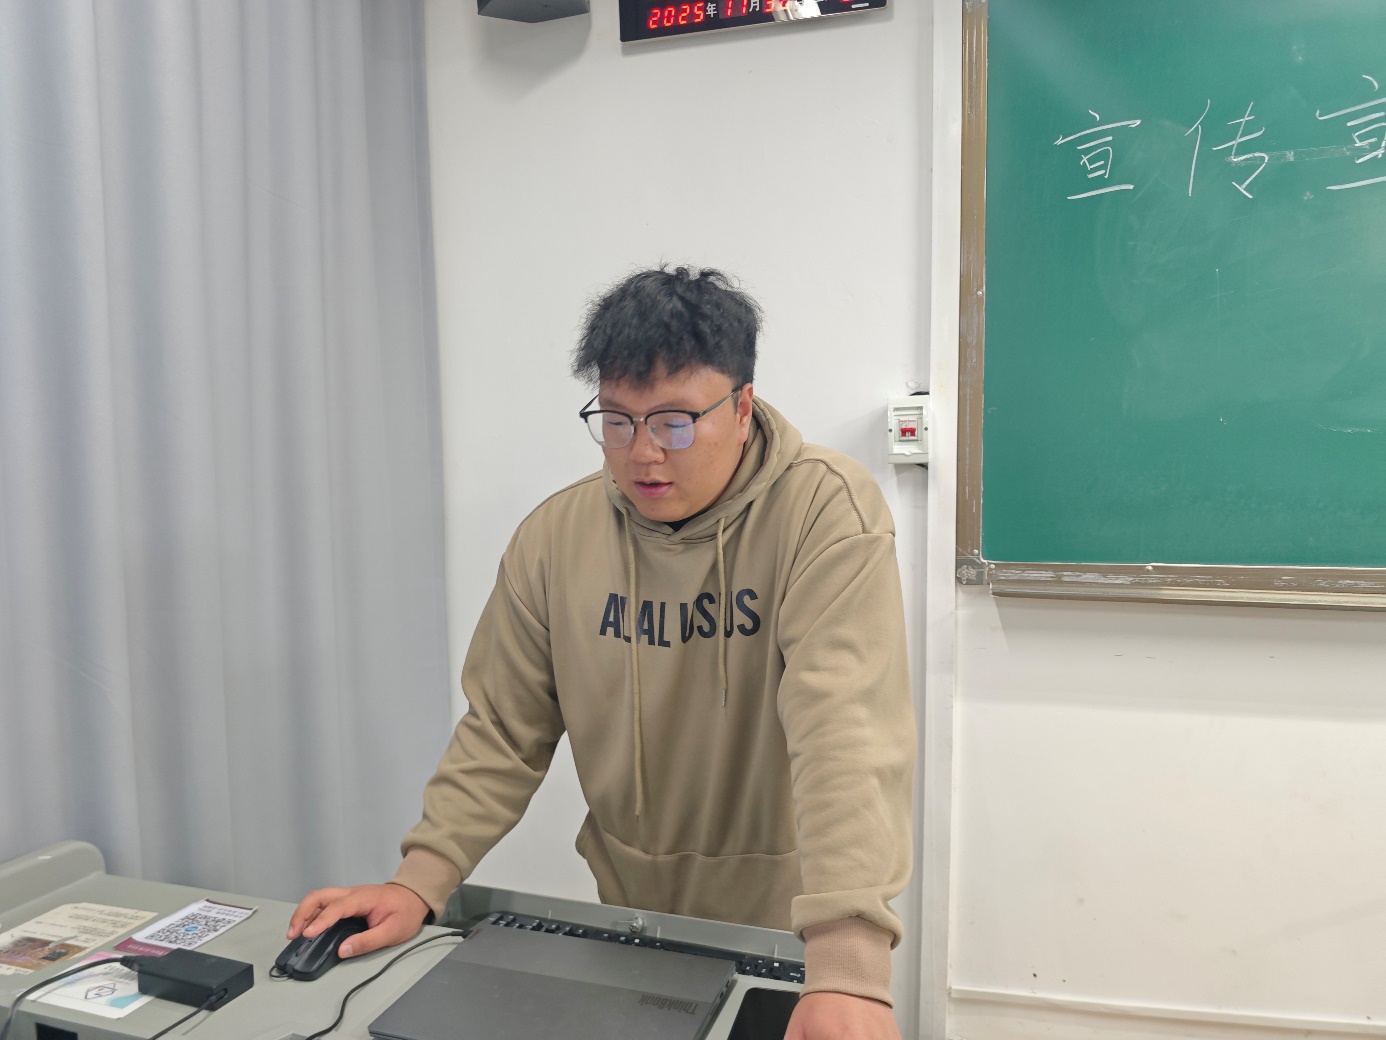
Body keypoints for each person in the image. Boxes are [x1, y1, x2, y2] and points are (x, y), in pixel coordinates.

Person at [289, 266, 915, 1040]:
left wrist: (849, 966)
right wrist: (419, 882)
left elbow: (845, 729)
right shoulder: (557, 539)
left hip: (792, 934)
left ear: (741, 407)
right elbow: (503, 732)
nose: (643, 452)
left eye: (674, 422)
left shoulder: (825, 511)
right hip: (633, 923)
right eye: (617, 421)